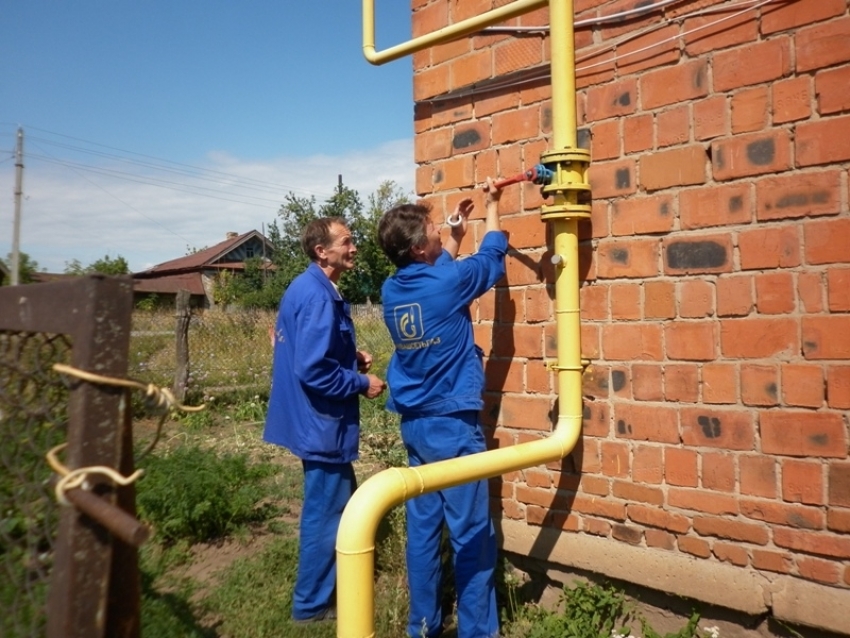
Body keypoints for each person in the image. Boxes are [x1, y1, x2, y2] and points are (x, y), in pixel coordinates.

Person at [377, 178, 506, 638]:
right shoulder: (446, 281)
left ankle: (423, 626)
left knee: (424, 532)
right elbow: (491, 261)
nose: (437, 229)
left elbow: (439, 278)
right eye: (431, 227)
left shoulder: (390, 289)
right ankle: (477, 632)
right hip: (453, 425)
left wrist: (453, 234)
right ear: (417, 248)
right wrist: (493, 207)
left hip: (415, 427)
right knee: (473, 535)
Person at [263, 216, 386, 623]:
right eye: (346, 242)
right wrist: (359, 381)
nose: (354, 248)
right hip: (320, 422)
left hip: (309, 418)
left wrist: (350, 356)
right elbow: (313, 370)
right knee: (326, 511)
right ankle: (312, 604)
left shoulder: (308, 287)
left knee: (339, 501)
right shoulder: (318, 296)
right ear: (322, 251)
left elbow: (307, 349)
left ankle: (330, 587)